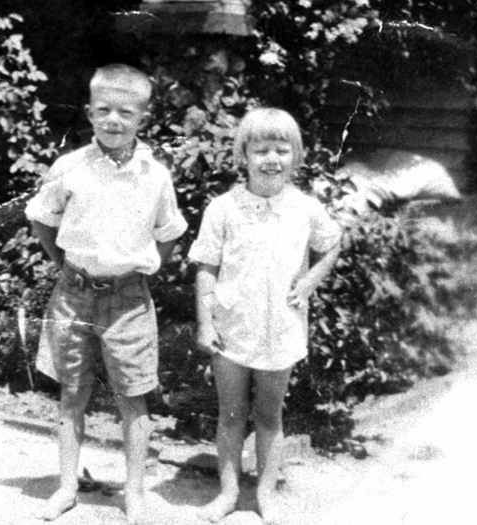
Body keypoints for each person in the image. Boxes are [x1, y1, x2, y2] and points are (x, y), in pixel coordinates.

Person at [25, 63, 187, 524]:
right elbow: (42, 217)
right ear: (89, 113)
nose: (114, 120)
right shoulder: (69, 167)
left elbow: (169, 231)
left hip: (129, 301)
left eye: (126, 112)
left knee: (133, 397)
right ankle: (66, 487)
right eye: (104, 110)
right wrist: (63, 266)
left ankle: (133, 493)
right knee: (71, 394)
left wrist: (142, 273)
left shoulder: (154, 175)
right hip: (72, 296)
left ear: (143, 118)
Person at [188, 107, 342, 524]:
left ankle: (265, 496)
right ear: (243, 155)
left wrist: (310, 281)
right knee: (231, 414)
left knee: (270, 416)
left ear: (296, 156)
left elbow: (332, 243)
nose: (271, 159)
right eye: (261, 150)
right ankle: (228, 494)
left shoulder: (306, 208)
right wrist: (205, 322)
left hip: (282, 329)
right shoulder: (223, 208)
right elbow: (205, 266)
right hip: (231, 328)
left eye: (281, 149)